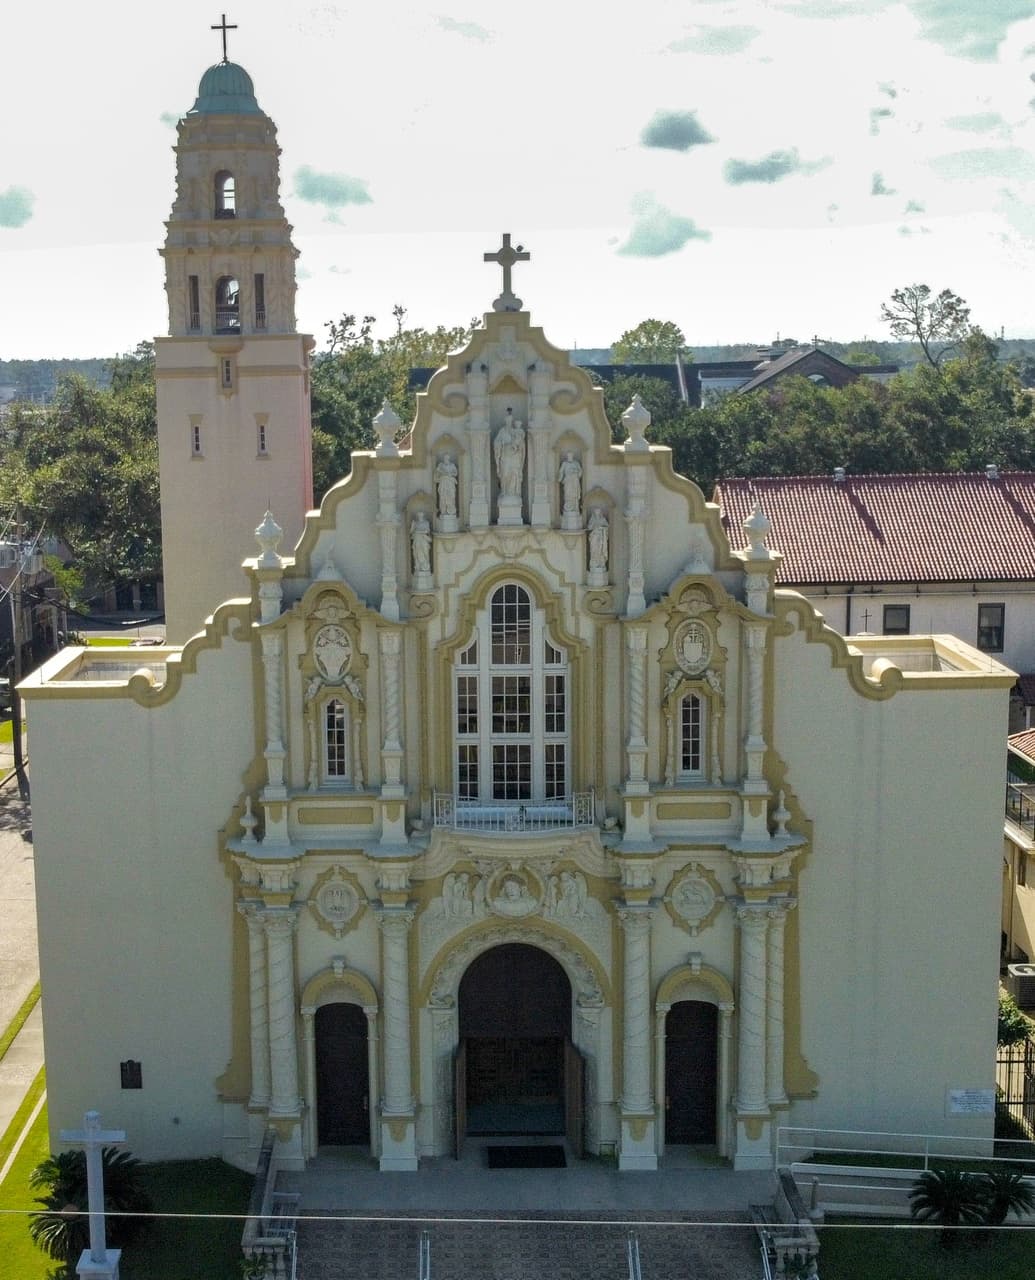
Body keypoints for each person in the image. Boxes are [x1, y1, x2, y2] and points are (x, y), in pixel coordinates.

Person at [494, 409, 525, 498]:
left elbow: (521, 445)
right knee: (505, 474)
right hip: (505, 456)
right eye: (507, 420)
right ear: (505, 421)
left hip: (515, 458)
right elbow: (496, 442)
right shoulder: (502, 431)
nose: (509, 422)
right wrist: (501, 444)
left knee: (514, 474)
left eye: (510, 421)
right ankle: (504, 492)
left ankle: (514, 493)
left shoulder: (516, 432)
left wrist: (518, 446)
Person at [410, 510, 432, 575]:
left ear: (423, 516)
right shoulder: (415, 523)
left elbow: (427, 531)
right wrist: (412, 526)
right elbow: (411, 532)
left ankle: (426, 566)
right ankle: (418, 567)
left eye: (421, 515)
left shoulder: (426, 522)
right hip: (417, 540)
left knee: (425, 553)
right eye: (419, 515)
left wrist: (418, 532)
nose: (420, 516)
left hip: (424, 540)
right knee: (417, 553)